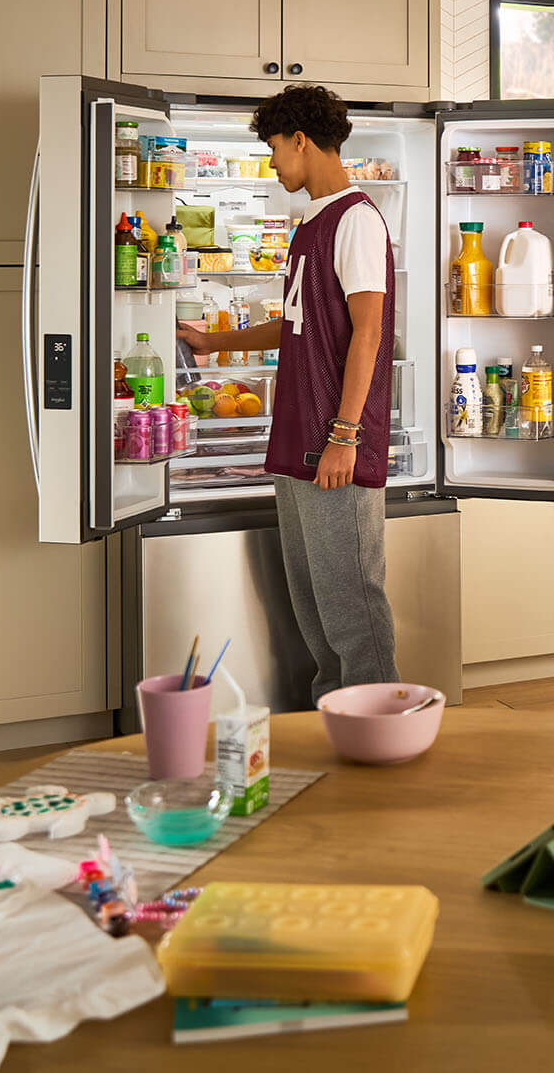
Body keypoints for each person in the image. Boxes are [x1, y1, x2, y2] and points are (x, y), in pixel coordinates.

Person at [177, 85, 398, 712]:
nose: (272, 162)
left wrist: (345, 435)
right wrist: (217, 340)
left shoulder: (355, 219)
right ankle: (339, 720)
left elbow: (369, 332)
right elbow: (299, 322)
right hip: (301, 437)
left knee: (351, 601)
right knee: (315, 600)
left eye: (274, 147)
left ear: (301, 139)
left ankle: (380, 726)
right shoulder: (312, 224)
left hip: (335, 443)